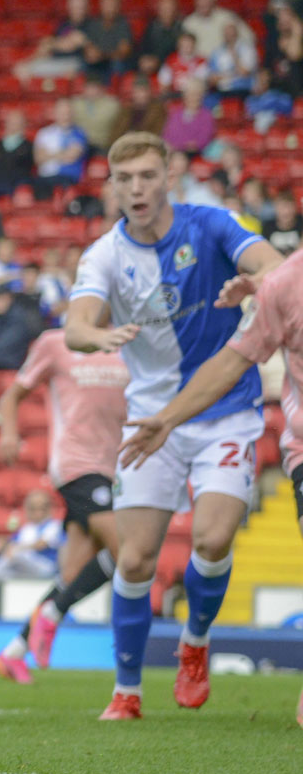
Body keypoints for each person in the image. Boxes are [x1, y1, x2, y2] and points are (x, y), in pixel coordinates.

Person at [66, 131, 283, 720]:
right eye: (125, 179)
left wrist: (258, 280)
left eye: (147, 176)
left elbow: (273, 264)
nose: (136, 189)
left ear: (169, 176)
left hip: (227, 409)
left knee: (213, 540)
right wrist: (97, 336)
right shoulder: (106, 255)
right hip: (149, 418)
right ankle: (127, 689)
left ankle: (195, 641)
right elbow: (75, 324)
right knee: (136, 560)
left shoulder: (212, 225)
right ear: (112, 186)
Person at [120, 246, 303, 725]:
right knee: (146, 553)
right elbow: (231, 362)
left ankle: (194, 638)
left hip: (236, 427)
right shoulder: (287, 284)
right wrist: (167, 419)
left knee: (216, 538)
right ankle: (135, 682)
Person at [0, 329, 129, 683]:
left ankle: (13, 654)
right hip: (77, 464)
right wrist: (9, 433)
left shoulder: (130, 341)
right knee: (129, 551)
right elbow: (12, 395)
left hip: (116, 466)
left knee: (72, 573)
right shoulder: (57, 342)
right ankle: (52, 614)